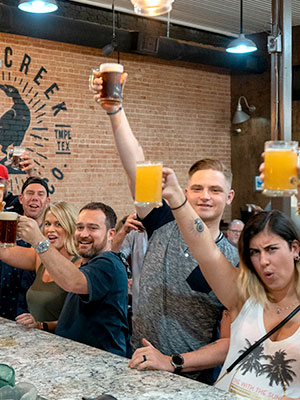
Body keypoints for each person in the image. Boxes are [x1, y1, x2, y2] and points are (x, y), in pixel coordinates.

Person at [91, 72, 239, 384]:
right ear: (185, 192)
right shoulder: (162, 224)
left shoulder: (234, 260)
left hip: (191, 375)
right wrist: (115, 111)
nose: (205, 196)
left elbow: (230, 342)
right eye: (197, 188)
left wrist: (173, 362)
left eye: (214, 190)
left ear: (229, 197)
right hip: (139, 359)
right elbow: (137, 169)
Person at [160, 166, 300, 399]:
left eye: (272, 249)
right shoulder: (244, 295)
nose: (263, 261)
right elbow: (204, 249)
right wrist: (176, 197)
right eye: (255, 252)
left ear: (294, 248)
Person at [14, 202, 131, 357]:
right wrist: (41, 325)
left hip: (100, 364)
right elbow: (75, 321)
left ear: (111, 234)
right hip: (75, 357)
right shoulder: (89, 264)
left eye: (92, 228)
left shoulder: (108, 263)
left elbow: (72, 282)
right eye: (80, 227)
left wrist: (38, 240)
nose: (83, 234)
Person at [1, 201, 80, 332]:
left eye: (58, 224)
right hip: (37, 342)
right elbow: (4, 251)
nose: (50, 229)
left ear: (71, 227)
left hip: (63, 345)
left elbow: (78, 321)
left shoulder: (79, 265)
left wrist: (41, 325)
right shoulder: (40, 258)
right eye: (47, 224)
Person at [0, 176, 50, 320]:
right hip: (3, 311)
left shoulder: (53, 237)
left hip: (35, 318)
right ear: (21, 199)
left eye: (40, 194)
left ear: (47, 201)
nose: (34, 198)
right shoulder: (7, 229)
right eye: (30, 193)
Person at [112, 212, 148, 324]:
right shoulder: (137, 232)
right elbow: (111, 256)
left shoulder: (179, 227)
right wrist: (123, 231)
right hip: (140, 318)